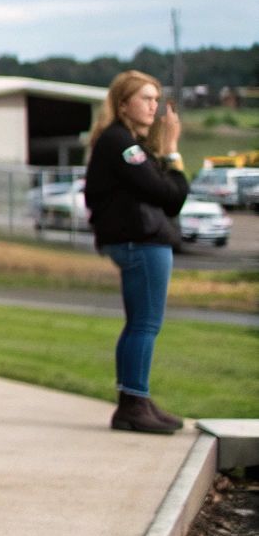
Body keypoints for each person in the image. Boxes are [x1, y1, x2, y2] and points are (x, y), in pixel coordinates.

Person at [83, 70, 188, 435]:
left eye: (156, 99)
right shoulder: (121, 144)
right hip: (140, 242)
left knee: (140, 323)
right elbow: (171, 196)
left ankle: (136, 400)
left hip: (138, 240)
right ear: (123, 103)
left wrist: (160, 151)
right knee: (145, 324)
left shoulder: (124, 143)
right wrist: (172, 149)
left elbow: (162, 192)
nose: (154, 106)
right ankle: (132, 405)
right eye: (146, 98)